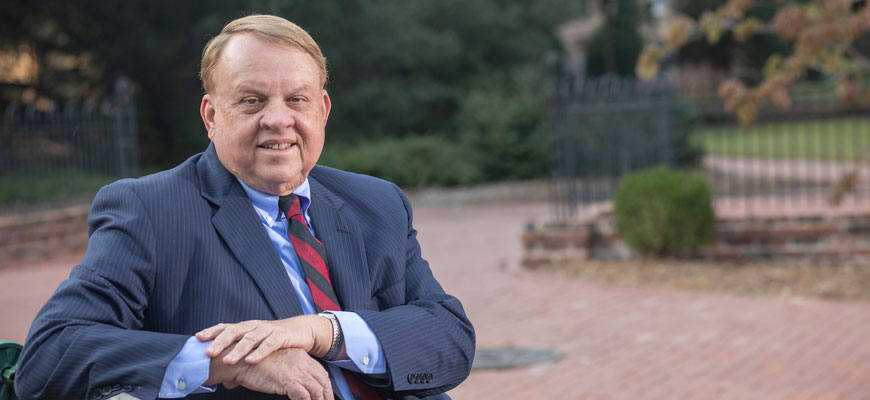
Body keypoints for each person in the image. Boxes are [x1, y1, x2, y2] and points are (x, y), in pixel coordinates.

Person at [14, 14, 475, 400]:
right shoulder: (150, 210)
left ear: (323, 110)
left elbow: (450, 341)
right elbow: (51, 355)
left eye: (297, 99)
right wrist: (228, 363)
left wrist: (322, 333)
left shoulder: (377, 203)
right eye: (252, 101)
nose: (278, 119)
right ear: (212, 116)